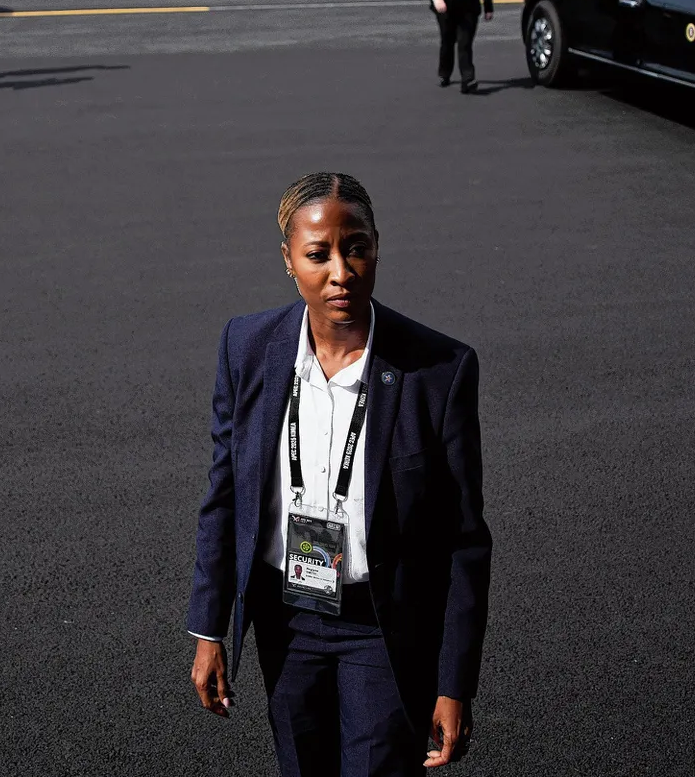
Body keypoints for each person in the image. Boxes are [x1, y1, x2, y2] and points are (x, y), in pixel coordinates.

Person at [188, 173, 491, 776]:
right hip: (286, 621)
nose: (341, 272)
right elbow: (224, 495)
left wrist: (455, 683)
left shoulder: (438, 370)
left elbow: (465, 540)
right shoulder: (246, 348)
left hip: (380, 627)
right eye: (318, 254)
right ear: (288, 259)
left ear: (378, 246)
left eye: (356, 247)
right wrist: (208, 627)